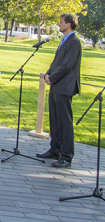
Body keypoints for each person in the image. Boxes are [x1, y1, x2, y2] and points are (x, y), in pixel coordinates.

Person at [36, 14, 82, 168]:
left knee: (64, 122)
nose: (58, 24)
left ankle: (67, 156)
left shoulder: (74, 42)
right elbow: (57, 62)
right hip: (56, 84)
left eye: (61, 22)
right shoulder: (64, 41)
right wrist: (48, 74)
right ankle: (55, 149)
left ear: (69, 24)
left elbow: (67, 65)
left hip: (65, 86)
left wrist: (52, 77)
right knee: (54, 119)